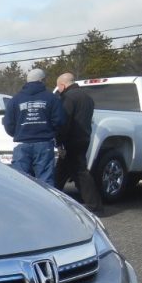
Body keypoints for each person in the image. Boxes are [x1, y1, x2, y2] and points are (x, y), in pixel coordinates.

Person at [3, 68, 64, 186]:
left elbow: (8, 123)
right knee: (45, 180)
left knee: (20, 180)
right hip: (44, 144)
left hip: (21, 145)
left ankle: (22, 204)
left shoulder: (15, 99)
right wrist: (50, 132)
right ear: (42, 80)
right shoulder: (51, 98)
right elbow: (59, 121)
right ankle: (46, 204)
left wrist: (19, 133)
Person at [54, 72, 104, 214]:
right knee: (62, 172)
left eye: (58, 87)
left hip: (71, 140)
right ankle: (54, 200)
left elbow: (64, 122)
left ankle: (95, 206)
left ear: (63, 85)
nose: (58, 90)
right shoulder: (87, 98)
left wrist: (60, 142)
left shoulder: (68, 98)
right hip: (84, 137)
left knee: (80, 173)